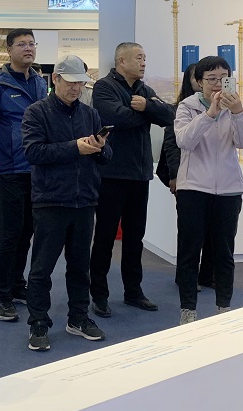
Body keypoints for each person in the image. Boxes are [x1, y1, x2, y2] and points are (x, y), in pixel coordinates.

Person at [21, 56, 112, 352]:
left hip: (84, 200)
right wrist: (75, 148)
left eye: (80, 83)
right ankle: (38, 321)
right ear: (55, 79)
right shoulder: (37, 112)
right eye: (70, 82)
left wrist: (100, 148)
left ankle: (78, 317)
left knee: (80, 267)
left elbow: (107, 156)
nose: (76, 88)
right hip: (51, 200)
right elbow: (33, 152)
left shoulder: (90, 114)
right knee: (42, 268)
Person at [89, 42, 174, 316]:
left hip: (139, 175)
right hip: (111, 174)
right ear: (122, 61)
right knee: (104, 237)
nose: (144, 62)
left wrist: (146, 106)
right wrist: (147, 113)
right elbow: (115, 118)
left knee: (135, 238)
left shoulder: (144, 91)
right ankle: (99, 295)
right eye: (139, 58)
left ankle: (133, 291)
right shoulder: (104, 87)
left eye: (145, 57)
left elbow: (169, 115)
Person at [0, 28, 47, 322]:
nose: (28, 48)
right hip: (10, 171)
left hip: (36, 169)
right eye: (22, 44)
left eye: (32, 44)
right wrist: (2, 154)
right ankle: (0, 296)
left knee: (27, 232)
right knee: (8, 235)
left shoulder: (39, 83)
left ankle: (17, 285)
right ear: (9, 50)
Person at [173, 57, 243, 324]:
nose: (218, 84)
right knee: (189, 251)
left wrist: (238, 112)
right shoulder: (187, 106)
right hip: (193, 188)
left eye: (223, 78)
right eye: (211, 79)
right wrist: (210, 114)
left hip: (229, 189)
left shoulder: (234, 108)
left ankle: (224, 308)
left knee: (224, 252)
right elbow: (185, 140)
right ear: (199, 82)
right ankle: (188, 310)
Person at [161, 63, 215, 289]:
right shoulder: (182, 108)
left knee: (212, 231)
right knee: (189, 233)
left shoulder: (221, 105)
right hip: (187, 179)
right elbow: (172, 144)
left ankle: (207, 274)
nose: (202, 81)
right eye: (196, 77)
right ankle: (186, 276)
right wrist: (174, 175)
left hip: (214, 181)